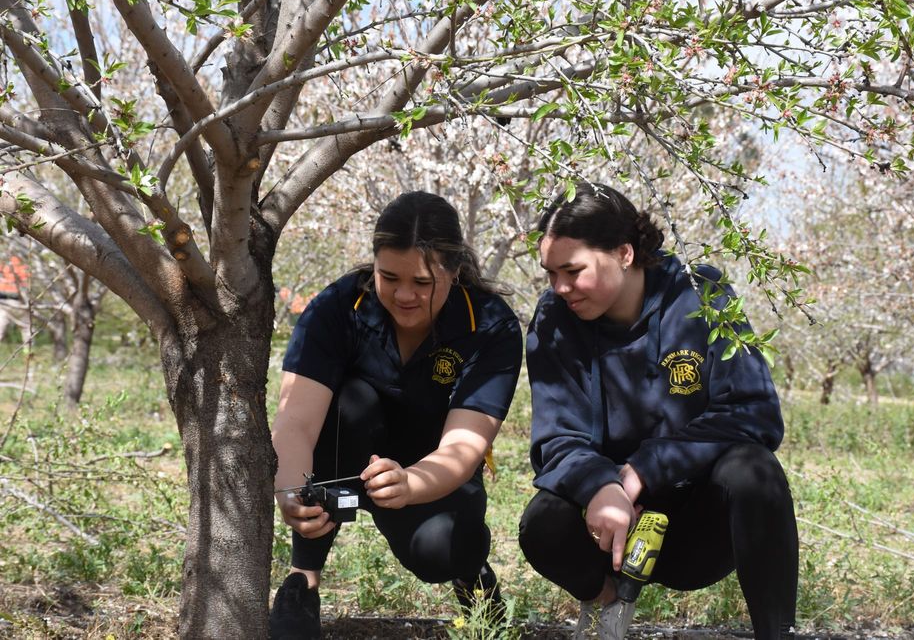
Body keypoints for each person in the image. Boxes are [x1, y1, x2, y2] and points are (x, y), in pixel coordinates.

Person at [518, 183, 798, 640]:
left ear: (625, 253)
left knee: (755, 470)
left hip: (696, 521)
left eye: (572, 271)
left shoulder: (701, 295)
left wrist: (643, 470)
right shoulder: (553, 318)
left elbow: (755, 412)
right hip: (608, 529)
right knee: (542, 524)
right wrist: (600, 486)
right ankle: (607, 605)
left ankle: (777, 632)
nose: (560, 287)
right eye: (550, 273)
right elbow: (556, 439)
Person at [269, 191, 523, 639]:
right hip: (346, 454)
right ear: (373, 265)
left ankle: (471, 576)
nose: (404, 295)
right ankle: (302, 583)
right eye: (389, 278)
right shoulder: (335, 308)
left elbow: (464, 447)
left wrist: (410, 483)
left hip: (432, 471)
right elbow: (296, 422)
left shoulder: (490, 325)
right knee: (351, 400)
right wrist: (290, 492)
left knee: (441, 551)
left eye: (423, 283)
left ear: (455, 270)